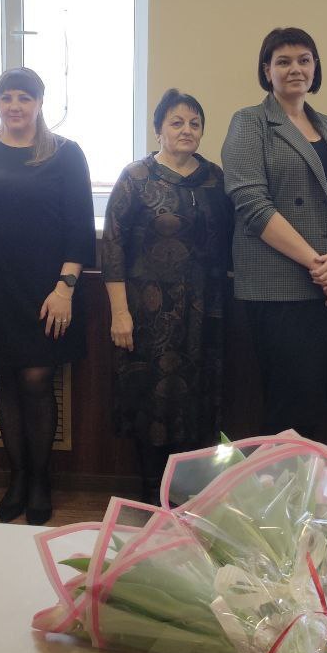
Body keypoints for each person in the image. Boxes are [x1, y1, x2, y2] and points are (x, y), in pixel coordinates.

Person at [0, 68, 96, 526]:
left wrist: (65, 289)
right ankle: (17, 478)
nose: (15, 105)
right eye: (6, 97)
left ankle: (40, 480)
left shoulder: (66, 153)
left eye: (24, 97)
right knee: (6, 379)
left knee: (36, 379)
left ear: (39, 102)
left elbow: (79, 229)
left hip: (47, 291)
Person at [220, 27, 327, 438]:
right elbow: (252, 204)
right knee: (289, 406)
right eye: (283, 61)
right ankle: (281, 481)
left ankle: (312, 482)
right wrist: (319, 265)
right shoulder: (250, 122)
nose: (295, 69)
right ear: (266, 70)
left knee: (324, 404)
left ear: (315, 67)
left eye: (304, 60)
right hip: (281, 287)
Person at [101, 89, 232, 505]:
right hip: (148, 312)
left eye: (195, 123)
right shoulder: (136, 177)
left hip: (204, 312)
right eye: (177, 122)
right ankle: (151, 496)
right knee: (152, 401)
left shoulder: (215, 178)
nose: (186, 130)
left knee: (197, 402)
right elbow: (113, 246)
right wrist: (119, 312)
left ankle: (189, 500)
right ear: (158, 129)